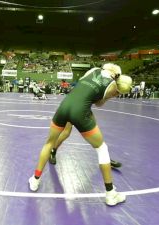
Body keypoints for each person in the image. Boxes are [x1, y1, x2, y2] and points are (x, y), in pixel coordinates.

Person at [28, 63, 133, 206]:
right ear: (117, 77)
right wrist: (109, 95)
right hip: (80, 112)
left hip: (65, 105)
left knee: (49, 143)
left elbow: (83, 87)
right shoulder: (112, 85)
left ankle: (35, 180)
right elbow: (99, 103)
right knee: (102, 148)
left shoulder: (94, 70)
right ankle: (110, 194)